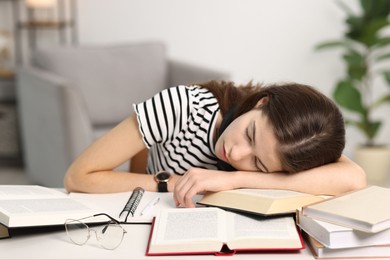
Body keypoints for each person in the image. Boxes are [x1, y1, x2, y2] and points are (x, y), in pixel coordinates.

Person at [64, 80, 366, 207]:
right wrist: (179, 183)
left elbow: (355, 179)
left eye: (258, 163)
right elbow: (78, 176)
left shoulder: (285, 149)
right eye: (249, 135)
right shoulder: (183, 107)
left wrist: (232, 179)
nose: (236, 153)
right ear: (261, 103)